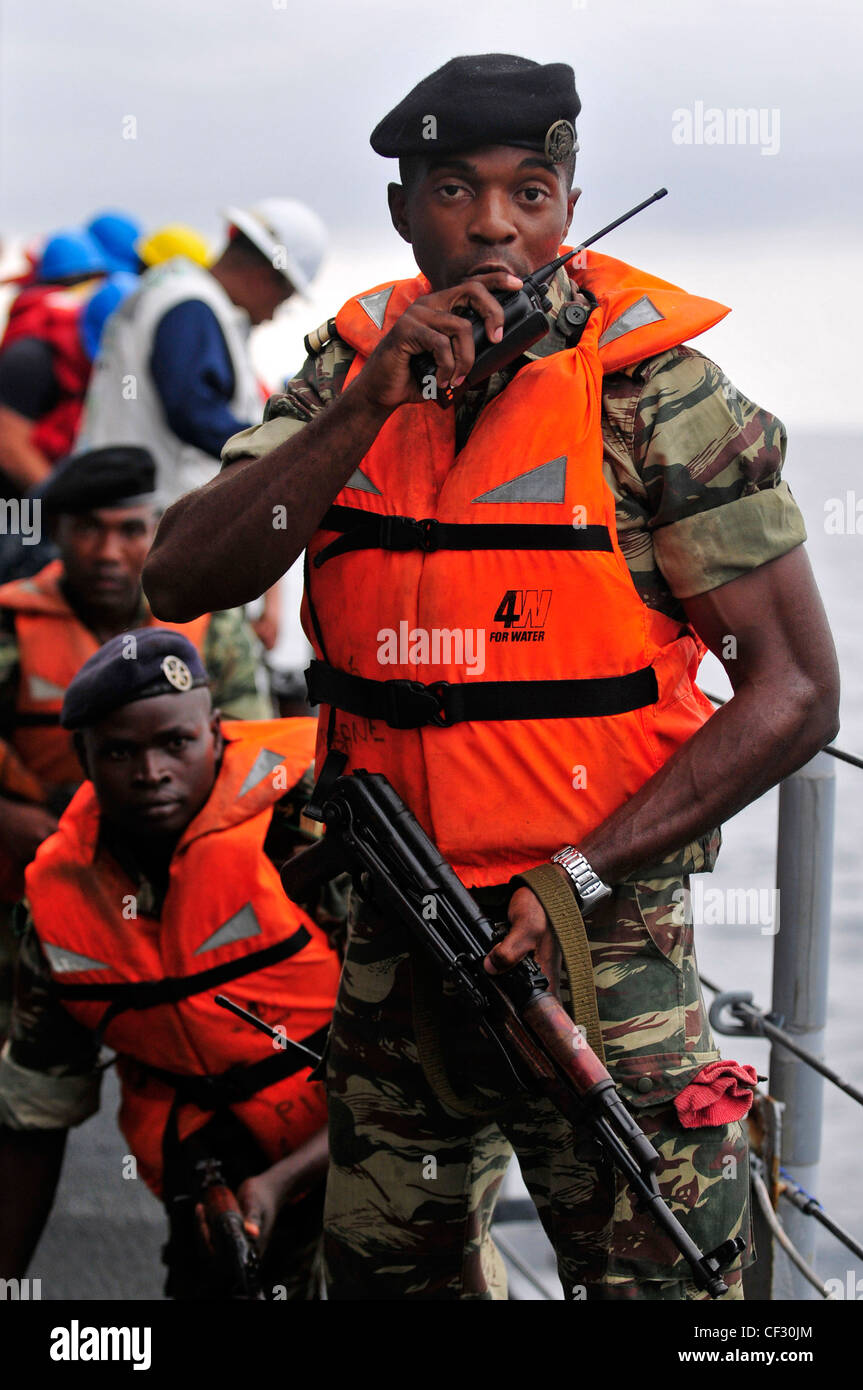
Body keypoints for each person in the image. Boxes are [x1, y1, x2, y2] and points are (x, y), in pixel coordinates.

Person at [142, 55, 841, 1300]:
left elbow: (793, 690)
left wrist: (572, 876)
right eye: (455, 190)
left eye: (531, 190)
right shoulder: (344, 364)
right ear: (408, 206)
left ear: (569, 204)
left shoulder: (657, 396)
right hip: (390, 942)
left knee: (668, 1292)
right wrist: (361, 410)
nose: (492, 225)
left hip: (596, 954)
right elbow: (180, 576)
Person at [0, 630, 342, 1299]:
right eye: (120, 751)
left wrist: (285, 1181)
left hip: (362, 1139)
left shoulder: (308, 829)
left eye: (175, 744)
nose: (150, 771)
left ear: (215, 733)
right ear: (84, 757)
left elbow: (419, 1059)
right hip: (209, 1168)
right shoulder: (58, 902)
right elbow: (36, 1112)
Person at [0, 445, 271, 1028]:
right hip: (34, 856)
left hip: (187, 866)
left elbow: (253, 747)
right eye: (86, 530)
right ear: (56, 533)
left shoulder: (211, 614)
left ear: (156, 529)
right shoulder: (10, 621)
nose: (106, 553)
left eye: (128, 531)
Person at [0, 229, 108, 493]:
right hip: (22, 506)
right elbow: (7, 443)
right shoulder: (31, 353)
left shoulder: (38, 328)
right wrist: (61, 504)